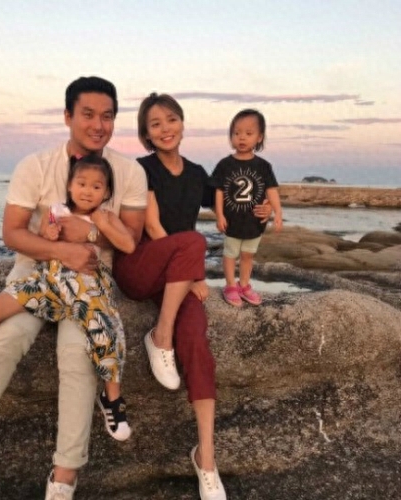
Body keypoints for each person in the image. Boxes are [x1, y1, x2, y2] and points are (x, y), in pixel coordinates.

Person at [0, 76, 147, 500]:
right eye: (88, 114)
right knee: (5, 340)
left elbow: (131, 239)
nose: (99, 125)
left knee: (77, 355)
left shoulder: (129, 172)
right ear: (67, 116)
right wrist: (61, 250)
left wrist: (88, 235)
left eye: (108, 116)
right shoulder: (36, 166)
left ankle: (64, 478)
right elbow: (13, 233)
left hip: (88, 287)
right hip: (35, 278)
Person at [113, 92, 268, 500]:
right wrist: (191, 268)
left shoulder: (199, 173)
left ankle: (206, 458)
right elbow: (153, 227)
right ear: (146, 134)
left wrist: (264, 209)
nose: (165, 129)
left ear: (182, 123)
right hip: (142, 266)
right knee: (193, 241)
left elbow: (229, 199)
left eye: (171, 120)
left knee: (198, 341)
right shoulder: (141, 168)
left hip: (177, 277)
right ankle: (160, 336)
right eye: (155, 124)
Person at [0, 154, 135, 442]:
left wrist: (100, 228)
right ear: (70, 185)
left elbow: (128, 245)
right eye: (81, 183)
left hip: (86, 286)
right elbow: (42, 241)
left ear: (106, 192)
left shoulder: (106, 216)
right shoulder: (56, 210)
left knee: (106, 331)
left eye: (96, 186)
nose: (87, 191)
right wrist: (50, 232)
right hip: (50, 282)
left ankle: (112, 400)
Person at [211, 108, 282, 308]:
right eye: (236, 133)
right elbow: (218, 191)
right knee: (230, 254)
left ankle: (244, 285)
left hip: (254, 222)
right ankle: (230, 286)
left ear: (259, 138)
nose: (242, 137)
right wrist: (219, 215)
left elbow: (271, 191)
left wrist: (277, 212)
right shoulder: (225, 165)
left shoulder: (263, 166)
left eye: (248, 133)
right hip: (232, 222)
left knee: (248, 255)